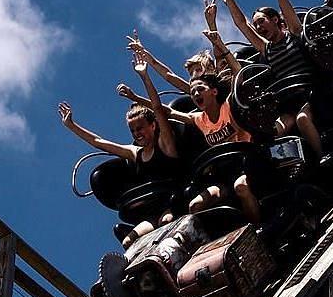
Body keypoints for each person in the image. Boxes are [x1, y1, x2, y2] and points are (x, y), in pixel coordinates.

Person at [58, 54, 179, 249]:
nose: (137, 133)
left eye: (140, 128)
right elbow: (99, 142)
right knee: (129, 241)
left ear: (153, 126)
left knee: (166, 222)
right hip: (151, 210)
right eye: (133, 130)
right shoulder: (135, 153)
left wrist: (144, 77)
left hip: (173, 202)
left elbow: (157, 108)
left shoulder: (165, 143)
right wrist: (72, 126)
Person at [215, 0, 325, 157]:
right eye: (256, 24)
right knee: (272, 132)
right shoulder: (266, 48)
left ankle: (322, 157)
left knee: (302, 119)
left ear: (275, 20)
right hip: (288, 101)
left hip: (312, 92)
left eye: (261, 22)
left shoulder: (294, 33)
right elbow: (241, 23)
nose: (258, 27)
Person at [144, 33, 262, 223]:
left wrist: (216, 38)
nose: (194, 78)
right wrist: (144, 73)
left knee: (241, 186)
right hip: (222, 169)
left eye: (198, 71)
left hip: (245, 160)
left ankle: (257, 224)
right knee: (195, 204)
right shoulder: (199, 115)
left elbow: (235, 72)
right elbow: (165, 102)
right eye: (191, 77)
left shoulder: (227, 98)